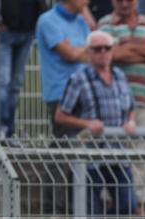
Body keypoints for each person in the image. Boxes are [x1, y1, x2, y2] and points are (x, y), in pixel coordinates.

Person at [55, 31, 138, 218]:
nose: (103, 52)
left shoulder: (119, 76)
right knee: (91, 210)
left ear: (113, 50)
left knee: (128, 205)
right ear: (88, 52)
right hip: (92, 156)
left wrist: (130, 121)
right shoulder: (78, 79)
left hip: (118, 154)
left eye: (107, 48)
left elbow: (130, 107)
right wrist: (87, 124)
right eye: (97, 49)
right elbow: (60, 116)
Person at [97, 0, 145, 215]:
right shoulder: (104, 24)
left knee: (142, 154)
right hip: (112, 103)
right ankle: (112, 202)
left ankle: (139, 204)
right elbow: (110, 55)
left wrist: (128, 47)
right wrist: (144, 51)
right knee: (111, 155)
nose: (124, 4)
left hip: (144, 99)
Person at [0, 0, 47, 138]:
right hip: (2, 33)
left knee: (16, 84)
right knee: (2, 82)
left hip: (27, 30)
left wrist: (39, 18)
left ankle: (8, 131)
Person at [37, 0, 91, 137]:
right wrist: (82, 51)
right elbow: (70, 54)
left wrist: (78, 50)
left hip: (84, 91)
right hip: (61, 93)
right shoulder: (48, 21)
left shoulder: (80, 20)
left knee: (84, 146)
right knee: (67, 147)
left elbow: (93, 53)